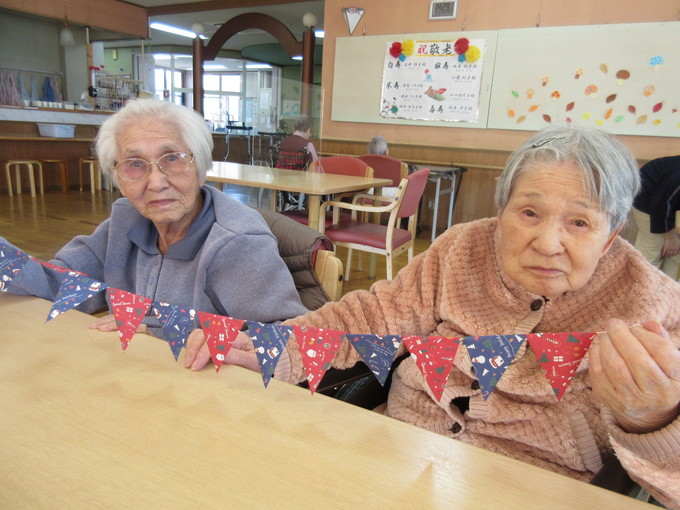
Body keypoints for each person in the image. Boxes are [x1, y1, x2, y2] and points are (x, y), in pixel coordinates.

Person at [186, 125, 680, 509]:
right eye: (529, 213)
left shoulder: (657, 308)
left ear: (612, 234)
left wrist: (654, 420)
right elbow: (372, 314)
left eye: (579, 222)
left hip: (530, 488)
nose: (548, 243)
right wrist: (272, 344)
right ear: (503, 209)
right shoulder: (463, 248)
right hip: (388, 456)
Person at [4, 98, 308, 337]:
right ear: (119, 178)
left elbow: (283, 341)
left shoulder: (237, 243)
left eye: (172, 158)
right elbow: (60, 284)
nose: (156, 182)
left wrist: (165, 334)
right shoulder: (125, 225)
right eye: (135, 164)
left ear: (200, 166)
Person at [632, 155, 680, 280]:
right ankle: (642, 286)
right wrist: (670, 237)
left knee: (675, 252)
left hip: (668, 202)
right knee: (653, 247)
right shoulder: (676, 179)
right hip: (647, 200)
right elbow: (660, 204)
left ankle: (668, 290)